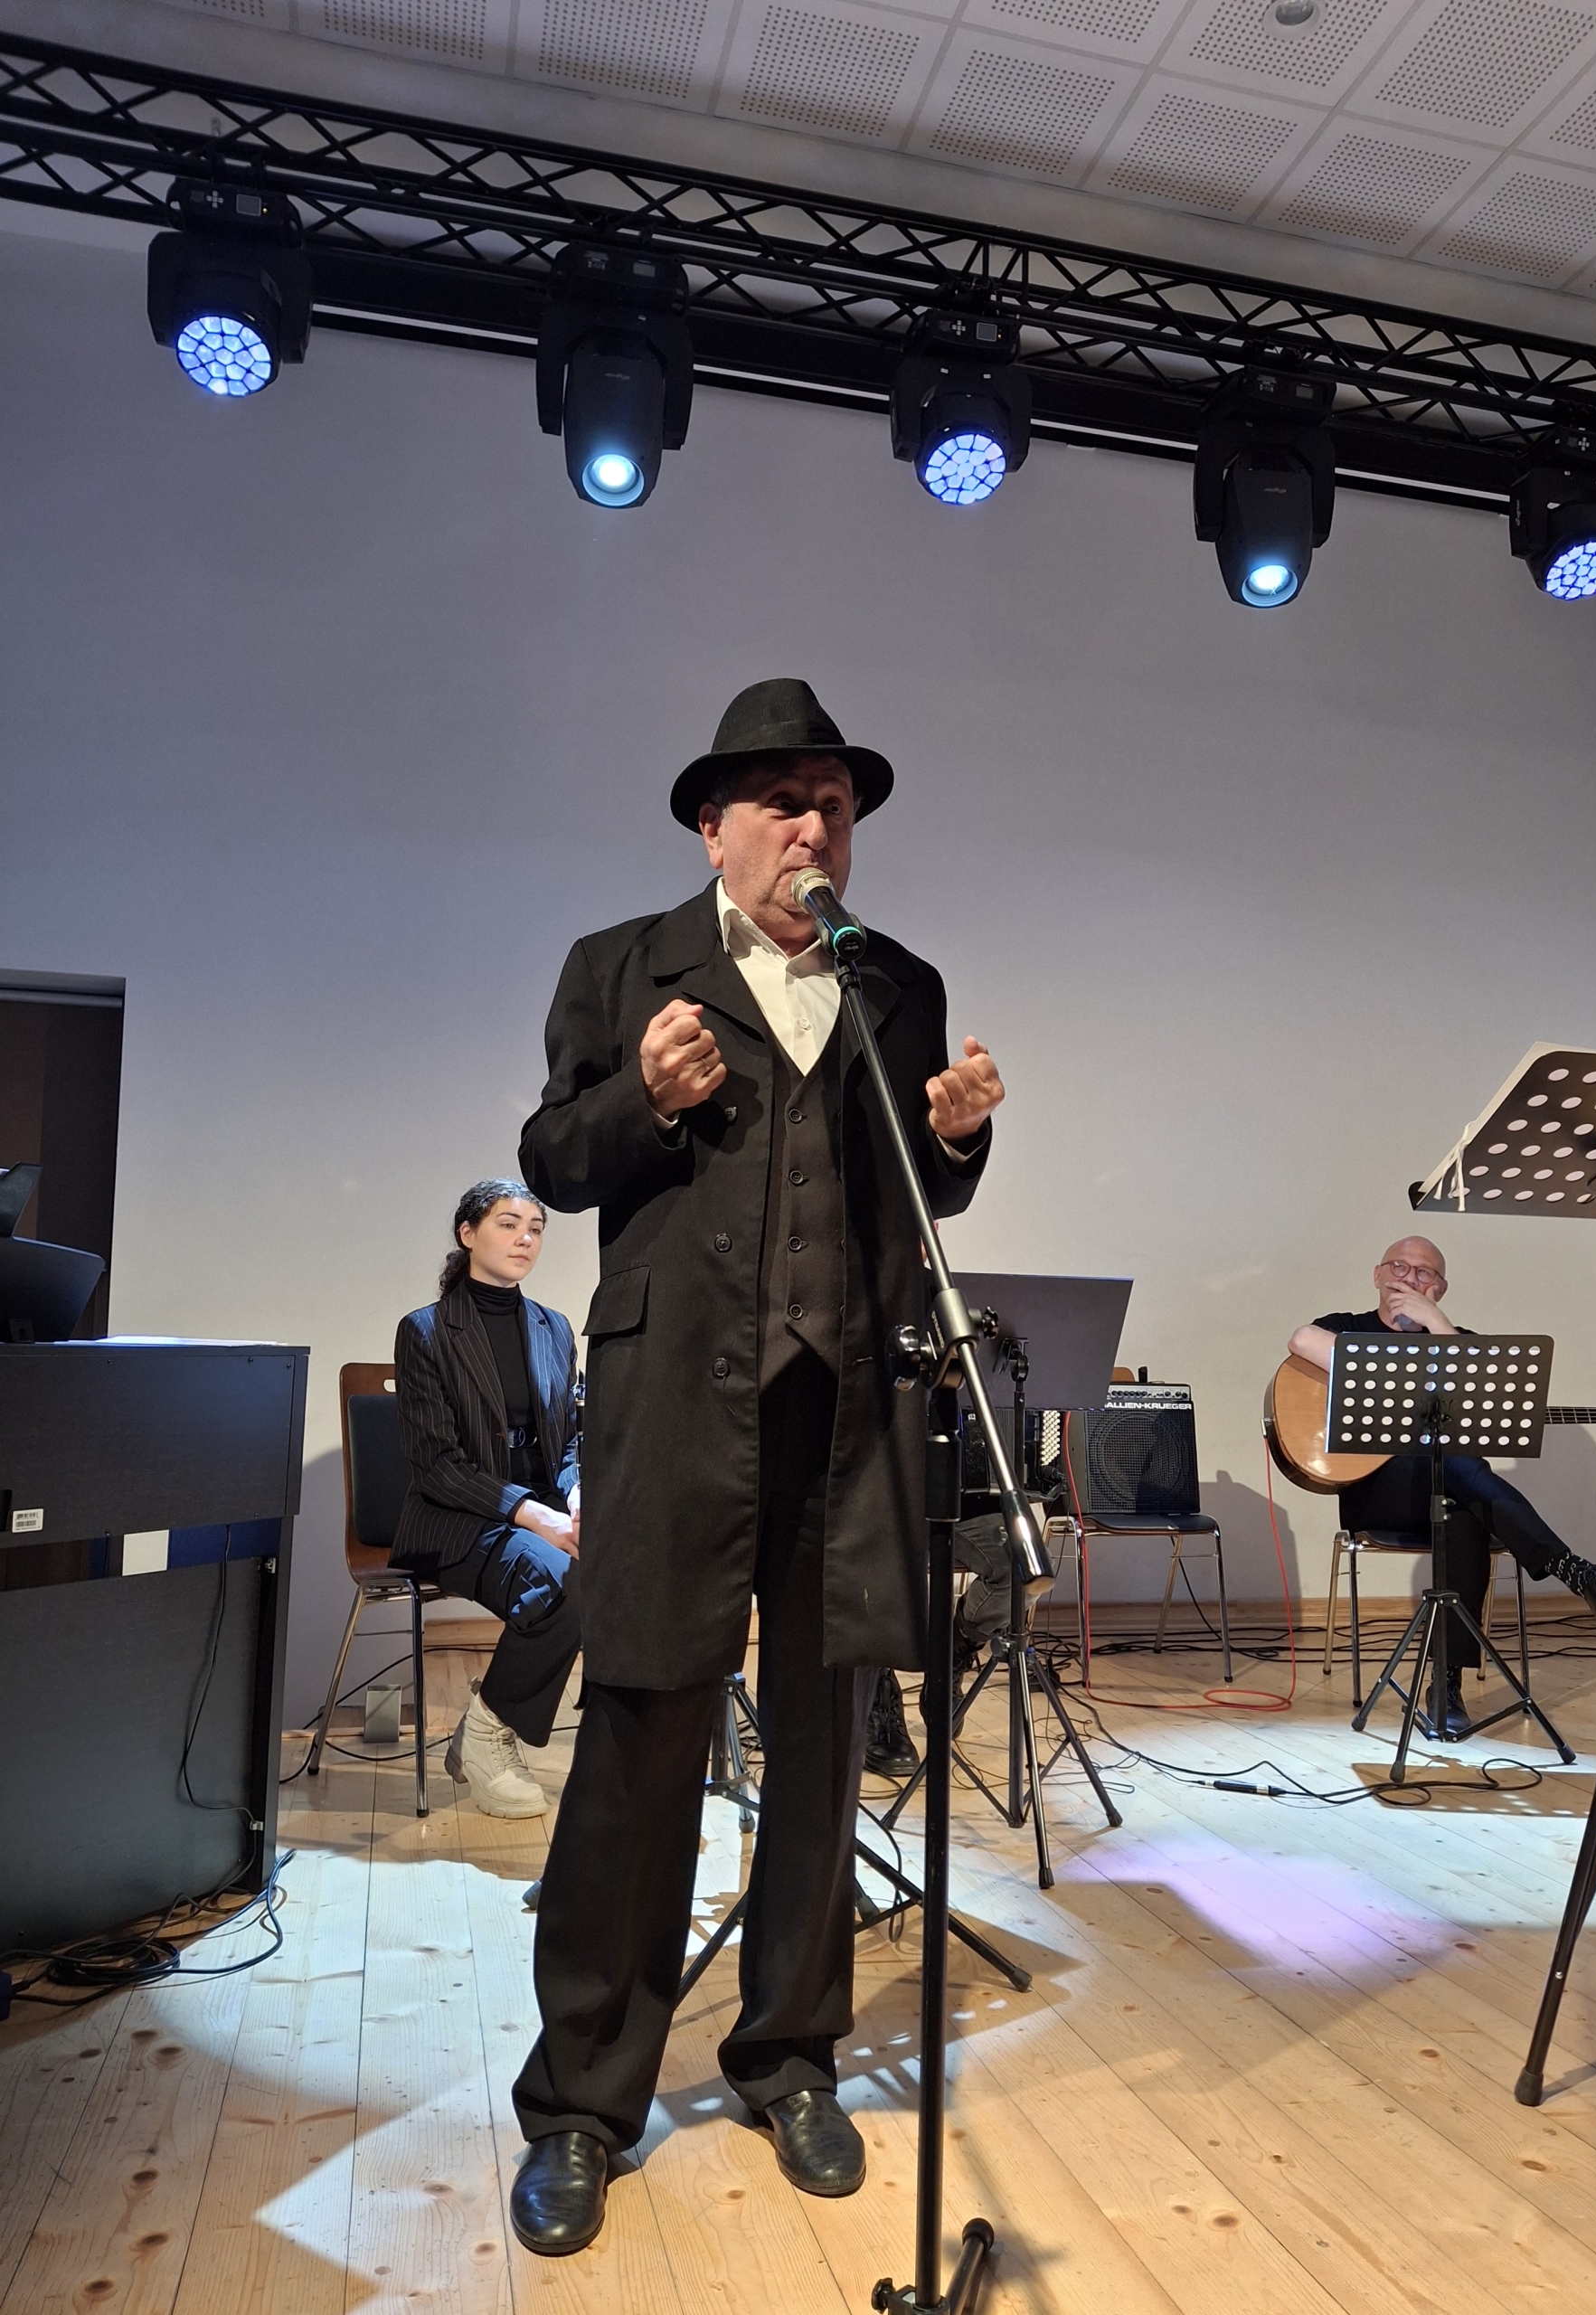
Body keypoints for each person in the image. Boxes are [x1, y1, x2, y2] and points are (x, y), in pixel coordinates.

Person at [507, 677, 1004, 2256]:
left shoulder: (895, 983)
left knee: (825, 1741)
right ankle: (583, 2100)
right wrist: (643, 1102)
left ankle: (790, 2056)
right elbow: (552, 1158)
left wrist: (960, 1136)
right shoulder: (622, 966)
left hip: (846, 1409)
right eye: (784, 802)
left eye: (835, 806)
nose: (815, 828)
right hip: (675, 1407)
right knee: (642, 1737)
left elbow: (921, 1190)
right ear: (712, 827)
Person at [1289, 1233, 1596, 1737]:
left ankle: (1444, 1686)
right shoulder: (1347, 1327)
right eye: (1398, 1267)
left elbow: (1487, 1393)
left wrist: (1437, 1325)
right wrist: (1408, 1372)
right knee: (1462, 1471)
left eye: (1424, 1273)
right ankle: (1571, 1570)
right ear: (1378, 1275)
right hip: (1377, 1495)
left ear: (1440, 1289)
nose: (1409, 1278)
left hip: (1444, 1499)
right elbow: (1301, 1341)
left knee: (1461, 1498)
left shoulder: (1457, 1340)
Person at [391, 1179, 583, 1817]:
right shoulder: (425, 1331)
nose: (525, 1238)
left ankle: (605, 1738)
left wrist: (577, 1494)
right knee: (566, 1581)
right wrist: (534, 1514)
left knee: (627, 1566)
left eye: (536, 1228)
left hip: (544, 1510)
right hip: (456, 1519)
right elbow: (437, 1466)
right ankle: (487, 1736)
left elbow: (574, 1436)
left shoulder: (554, 1327)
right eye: (508, 1224)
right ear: (468, 1233)